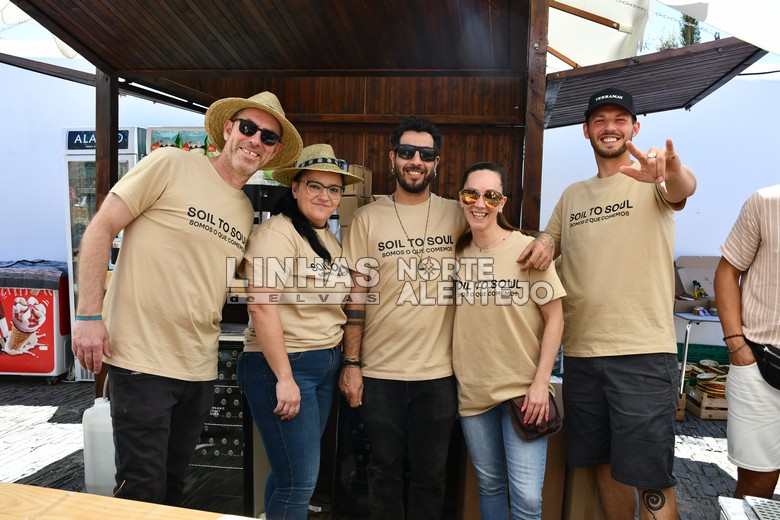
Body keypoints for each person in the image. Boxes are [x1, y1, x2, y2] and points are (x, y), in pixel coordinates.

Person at [71, 91, 302, 505]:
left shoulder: (243, 210)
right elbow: (101, 227)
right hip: (141, 361)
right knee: (141, 491)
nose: (255, 140)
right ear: (228, 129)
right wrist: (88, 315)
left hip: (198, 367)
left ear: (273, 151)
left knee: (174, 484)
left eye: (267, 137)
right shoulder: (171, 163)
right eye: (248, 128)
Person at [525, 87, 697, 519]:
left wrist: (672, 168)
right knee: (604, 466)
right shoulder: (573, 195)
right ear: (586, 131)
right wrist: (544, 242)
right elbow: (552, 240)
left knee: (652, 477)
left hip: (642, 355)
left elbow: (683, 188)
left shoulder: (652, 179)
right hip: (582, 357)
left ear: (634, 128)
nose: (610, 127)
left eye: (620, 119)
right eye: (600, 120)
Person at [338, 116, 466, 520]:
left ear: (436, 162)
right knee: (383, 471)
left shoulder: (459, 214)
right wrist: (351, 363)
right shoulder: (367, 218)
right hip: (380, 373)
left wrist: (545, 242)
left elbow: (501, 241)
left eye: (425, 154)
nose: (416, 161)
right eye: (407, 152)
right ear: (392, 157)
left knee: (431, 476)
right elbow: (356, 296)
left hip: (439, 374)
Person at [237, 144, 363, 519]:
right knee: (299, 483)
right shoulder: (277, 234)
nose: (325, 196)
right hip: (285, 366)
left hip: (321, 365)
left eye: (334, 189)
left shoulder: (325, 236)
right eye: (314, 186)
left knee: (289, 474)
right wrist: (285, 377)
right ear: (295, 188)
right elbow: (261, 306)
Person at [452, 162, 565, 520]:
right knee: (490, 486)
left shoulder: (527, 251)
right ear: (461, 198)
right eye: (471, 194)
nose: (479, 204)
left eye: (490, 196)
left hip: (523, 392)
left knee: (528, 500)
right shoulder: (457, 254)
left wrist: (541, 384)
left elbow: (556, 318)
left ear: (502, 202)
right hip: (473, 393)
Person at [714, 184, 780, 500]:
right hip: (761, 365)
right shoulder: (767, 202)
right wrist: (736, 345)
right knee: (756, 486)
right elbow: (727, 272)